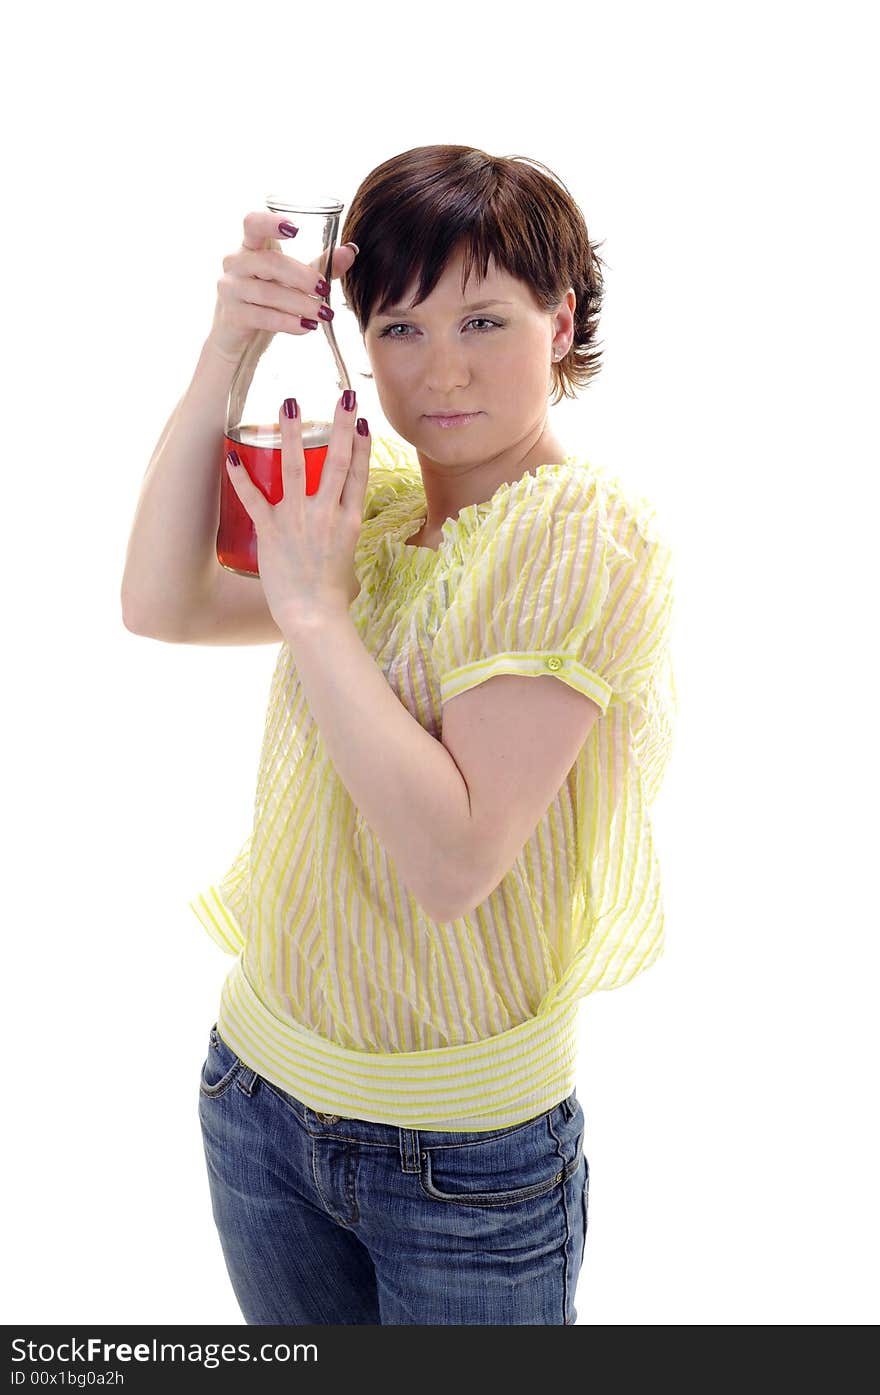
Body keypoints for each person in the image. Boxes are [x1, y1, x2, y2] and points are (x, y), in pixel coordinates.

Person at [120, 144, 676, 1326]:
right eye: (402, 329)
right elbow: (159, 604)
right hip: (256, 1096)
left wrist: (313, 612)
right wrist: (229, 348)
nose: (442, 372)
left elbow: (452, 864)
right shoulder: (371, 518)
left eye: (484, 321)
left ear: (561, 320)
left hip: (461, 1164)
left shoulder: (579, 530)